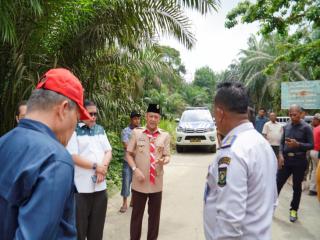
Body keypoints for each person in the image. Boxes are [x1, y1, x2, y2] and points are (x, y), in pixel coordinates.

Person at [0, 68, 91, 239]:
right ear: (63, 109)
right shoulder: (56, 160)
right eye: (77, 119)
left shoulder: (4, 142)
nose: (74, 128)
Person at [203, 81, 277, 240]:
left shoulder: (233, 152)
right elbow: (272, 201)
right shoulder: (263, 145)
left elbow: (230, 220)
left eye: (214, 114)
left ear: (220, 113)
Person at [67, 100, 112, 240]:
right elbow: (73, 156)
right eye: (90, 113)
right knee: (79, 231)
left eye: (95, 114)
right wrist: (95, 166)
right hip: (81, 190)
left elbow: (108, 151)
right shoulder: (73, 130)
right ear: (82, 113)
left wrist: (102, 168)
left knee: (96, 232)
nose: (93, 117)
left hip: (100, 188)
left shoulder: (100, 129)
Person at [126, 104, 171, 240]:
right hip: (140, 182)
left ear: (159, 119)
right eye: (150, 116)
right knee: (136, 217)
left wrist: (164, 160)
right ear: (146, 116)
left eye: (156, 117)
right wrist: (135, 169)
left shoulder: (165, 135)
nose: (153, 119)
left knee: (154, 218)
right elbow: (128, 154)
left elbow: (167, 155)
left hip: (156, 183)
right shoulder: (137, 133)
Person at [277, 104, 313, 222]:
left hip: (299, 161)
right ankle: (270, 206)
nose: (292, 117)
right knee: (277, 184)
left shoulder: (306, 127)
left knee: (296, 187)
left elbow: (311, 145)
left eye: (295, 114)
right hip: (286, 161)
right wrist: (281, 155)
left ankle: (294, 210)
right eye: (290, 114)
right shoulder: (286, 126)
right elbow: (281, 143)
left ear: (301, 114)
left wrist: (298, 145)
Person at [119, 111, 141, 213]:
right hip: (128, 161)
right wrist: (138, 150)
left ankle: (133, 201)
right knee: (126, 182)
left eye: (138, 118)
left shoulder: (142, 131)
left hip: (138, 162)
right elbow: (126, 145)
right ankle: (124, 203)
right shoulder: (125, 131)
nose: (137, 120)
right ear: (131, 119)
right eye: (135, 118)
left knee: (136, 183)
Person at [309, 113, 320, 196]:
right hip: (318, 152)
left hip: (312, 151)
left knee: (314, 170)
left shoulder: (315, 129)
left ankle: (312, 189)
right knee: (317, 171)